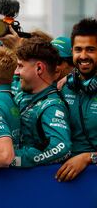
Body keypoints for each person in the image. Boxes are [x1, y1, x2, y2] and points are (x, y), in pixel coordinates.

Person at [11, 35, 72, 168]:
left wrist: (13, 159)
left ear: (39, 68)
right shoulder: (23, 93)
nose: (16, 72)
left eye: (20, 66)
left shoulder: (52, 106)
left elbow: (61, 147)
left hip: (32, 182)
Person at [56, 18, 97, 182]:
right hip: (65, 180)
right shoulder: (64, 87)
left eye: (91, 49)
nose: (83, 56)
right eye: (78, 49)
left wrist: (88, 157)